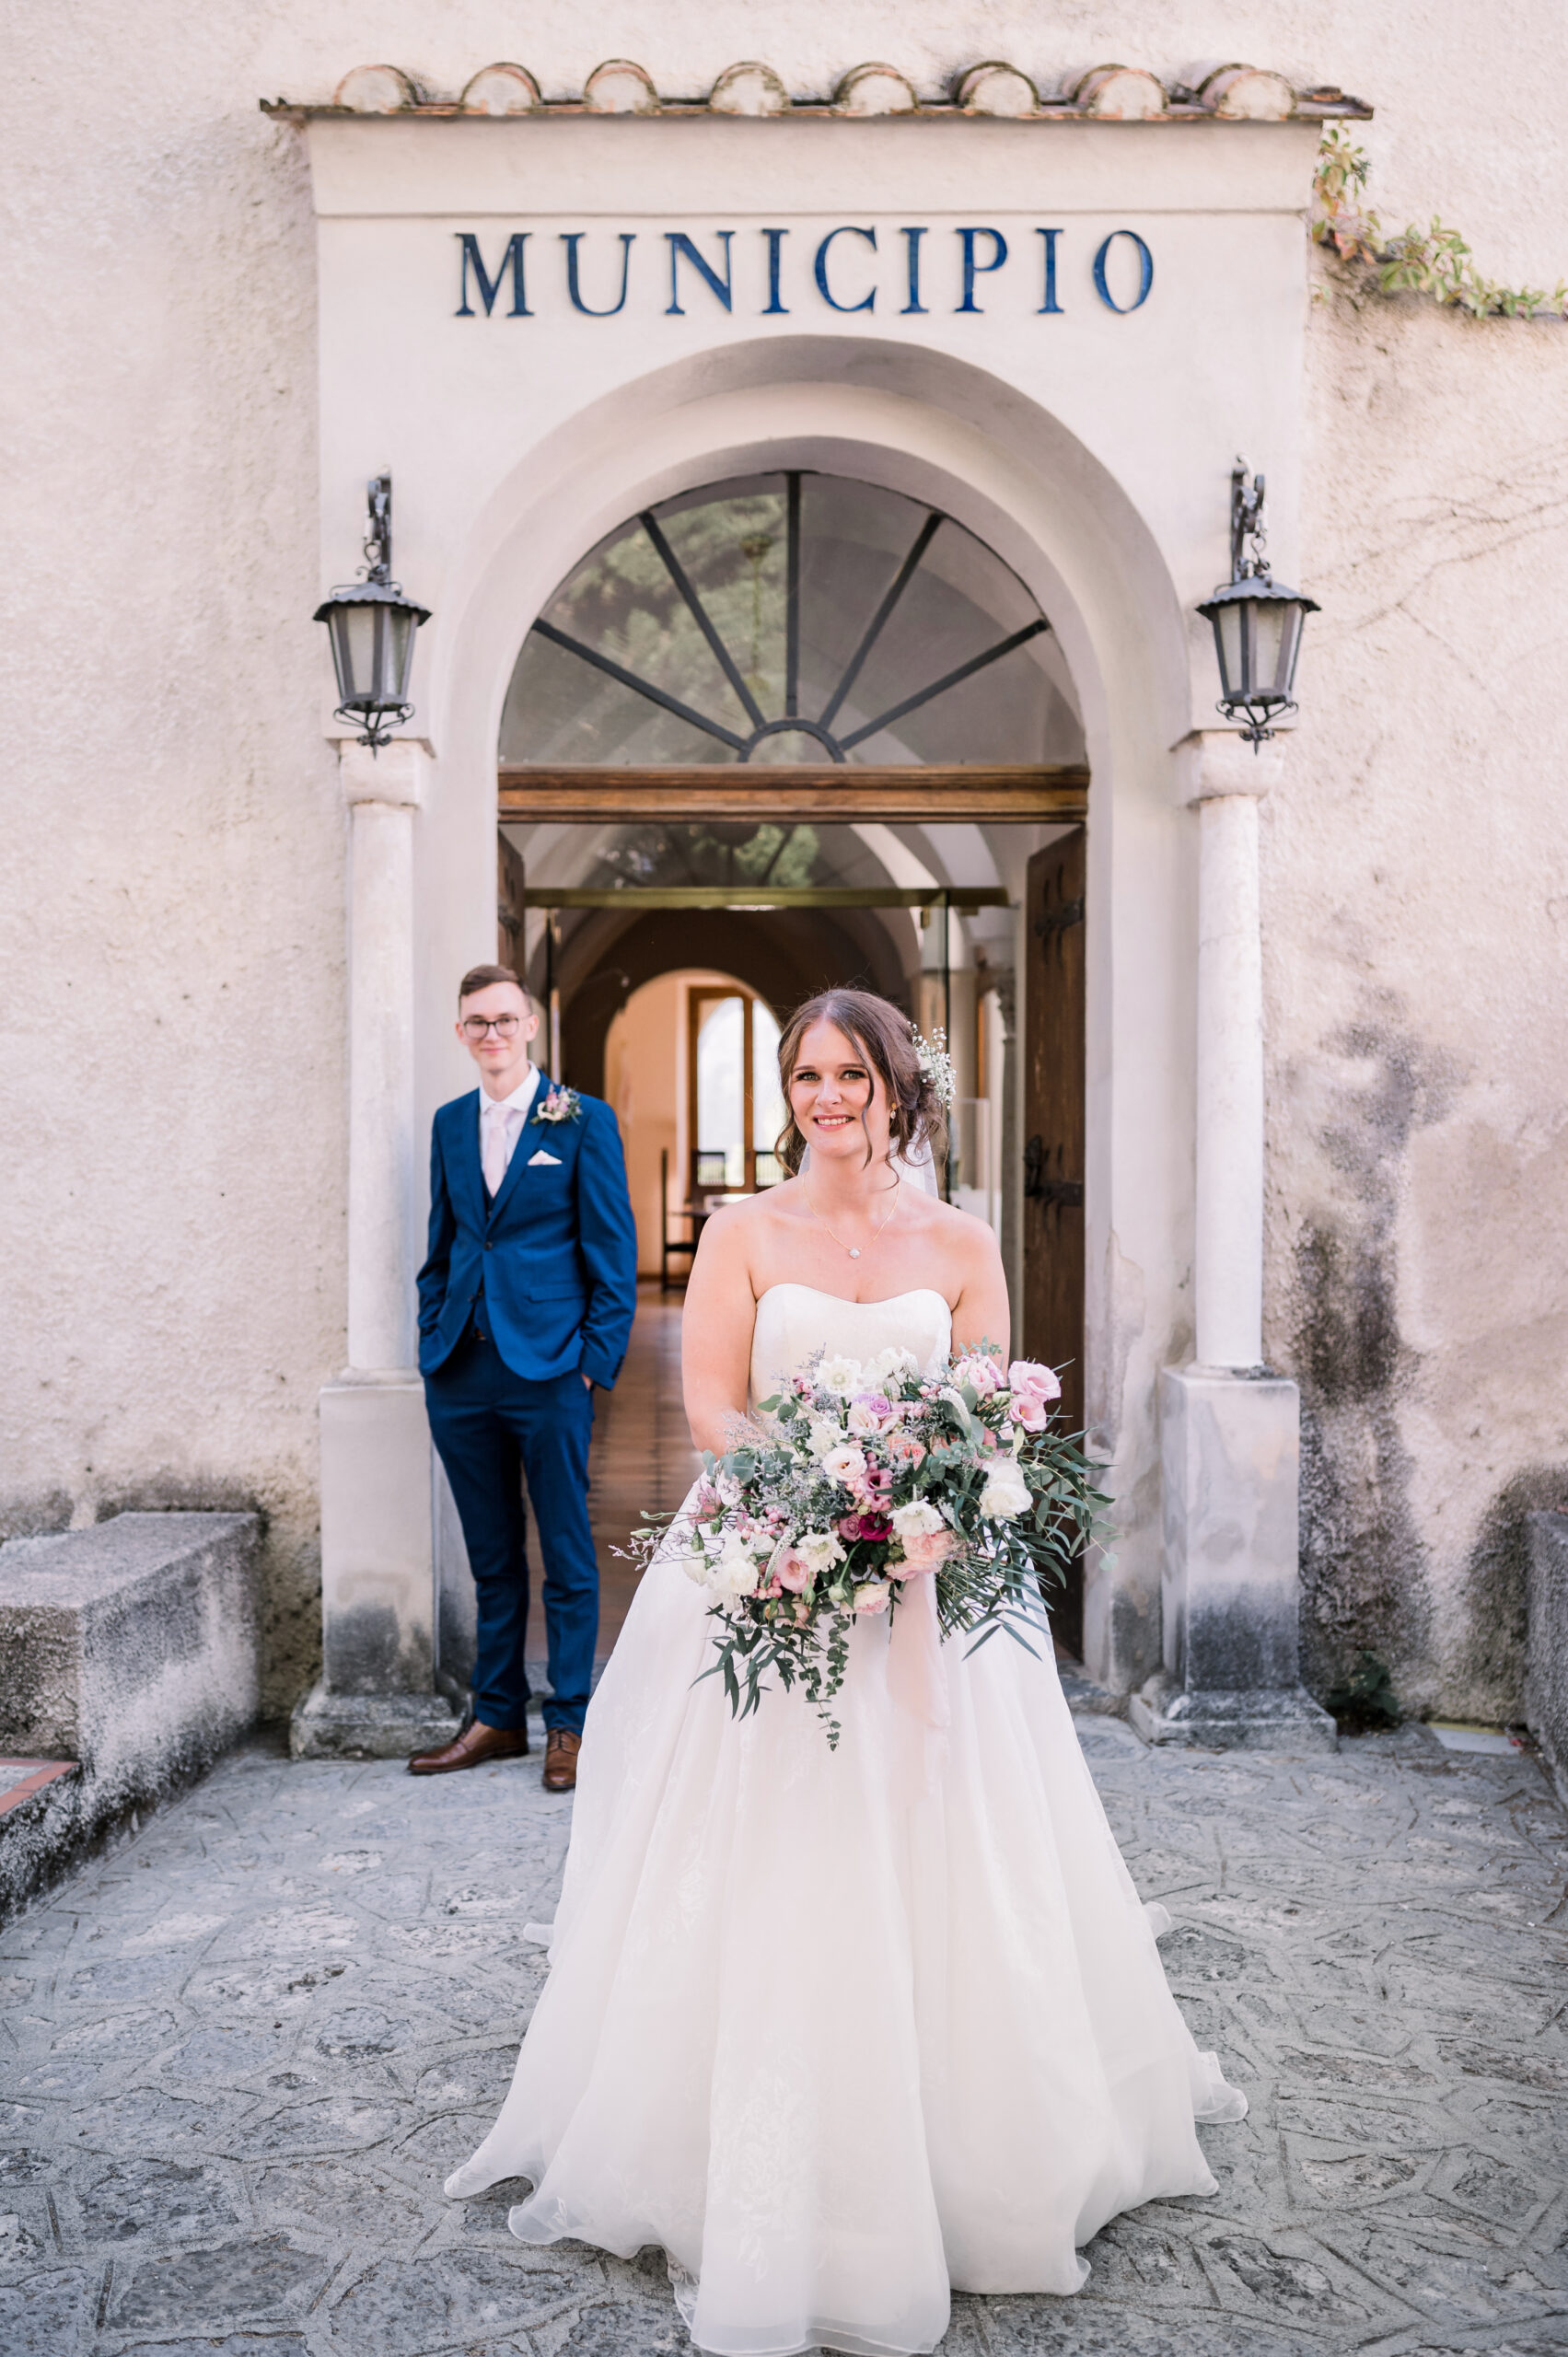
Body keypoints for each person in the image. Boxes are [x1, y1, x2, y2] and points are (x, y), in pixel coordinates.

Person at [445, 987, 1244, 2352]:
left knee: (953, 1838)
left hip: (934, 1582)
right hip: (769, 1561)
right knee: (778, 1841)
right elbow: (708, 1404)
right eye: (806, 1075)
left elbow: (987, 1403)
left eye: (851, 1075)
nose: (826, 1097)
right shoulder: (745, 1233)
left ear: (897, 1087)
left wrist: (917, 1515)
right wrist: (813, 1518)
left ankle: (964, 2136)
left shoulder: (962, 1241)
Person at [410, 963, 636, 1793]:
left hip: (549, 1371)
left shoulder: (581, 1121)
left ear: (530, 1026)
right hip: (460, 1368)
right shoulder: (447, 1124)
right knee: (492, 1556)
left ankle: (568, 1721)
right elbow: (442, 1246)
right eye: (477, 1023)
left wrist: (590, 1367)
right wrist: (431, 1333)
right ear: (461, 1033)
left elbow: (613, 1255)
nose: (492, 1034)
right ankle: (495, 1715)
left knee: (568, 1552)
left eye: (505, 1019)